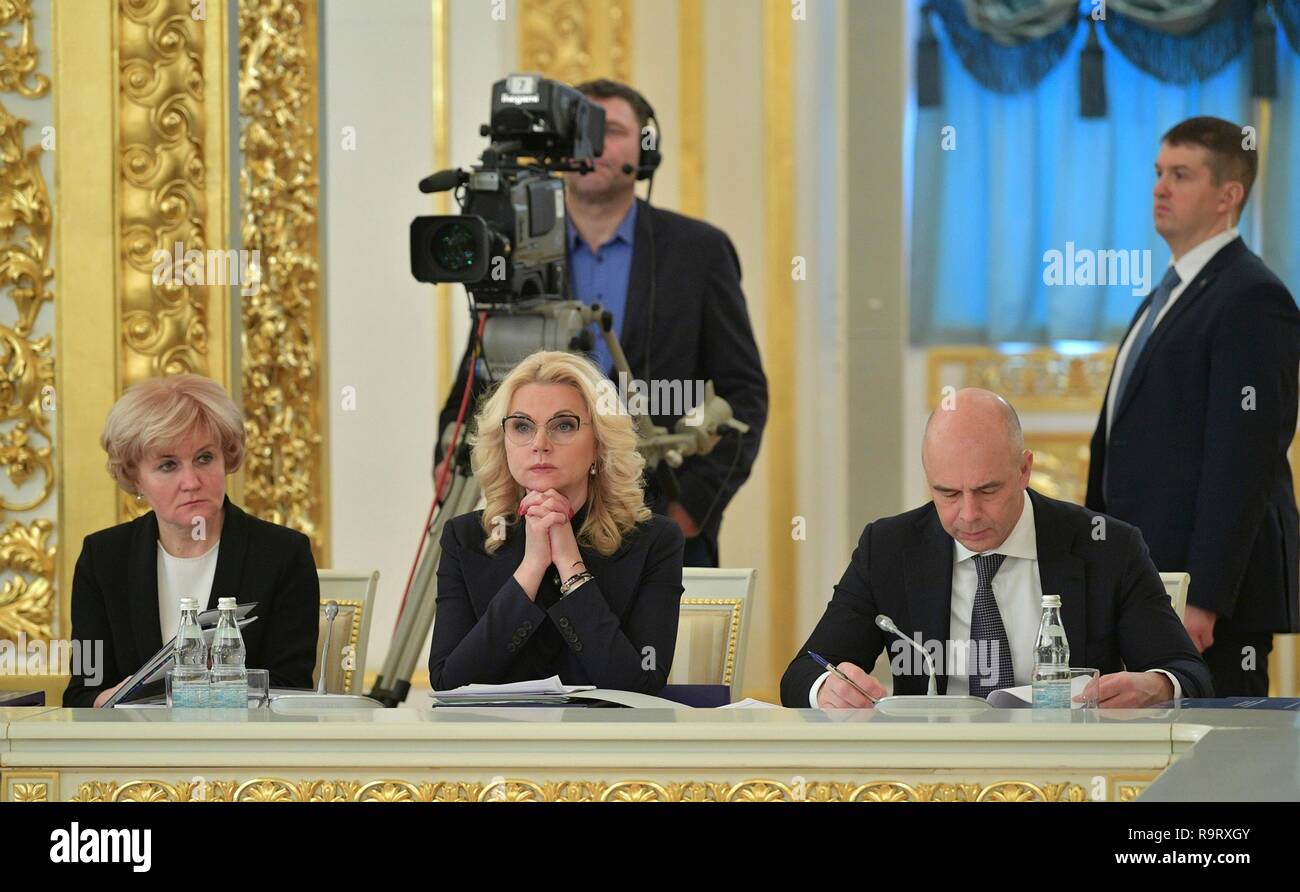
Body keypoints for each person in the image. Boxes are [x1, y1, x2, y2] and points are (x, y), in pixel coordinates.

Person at [438, 78, 768, 568]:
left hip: (659, 523)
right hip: (535, 524)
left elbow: (744, 394)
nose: (592, 144)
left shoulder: (699, 251)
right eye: (581, 130)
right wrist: (452, 466)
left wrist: (689, 511)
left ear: (645, 150)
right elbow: (480, 372)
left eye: (609, 130)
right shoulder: (516, 251)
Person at [781, 388, 1212, 709]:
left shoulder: (1106, 546)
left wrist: (1155, 686)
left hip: (1069, 770)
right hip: (935, 775)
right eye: (947, 493)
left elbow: (1189, 674)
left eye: (987, 490)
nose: (968, 514)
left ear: (1025, 469)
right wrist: (828, 688)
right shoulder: (889, 548)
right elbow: (804, 671)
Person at [1085, 116, 1300, 697]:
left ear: (1228, 196)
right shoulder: (1168, 293)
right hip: (1150, 582)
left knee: (1222, 771)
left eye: (1181, 175)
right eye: (1159, 172)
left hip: (1207, 606)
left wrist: (1202, 597)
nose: (1160, 187)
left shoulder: (1253, 297)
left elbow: (1243, 461)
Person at [428, 351, 685, 694]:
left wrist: (569, 564)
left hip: (607, 746)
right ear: (502, 442)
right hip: (496, 745)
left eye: (563, 425)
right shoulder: (465, 538)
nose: (539, 444)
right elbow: (449, 683)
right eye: (522, 426)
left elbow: (641, 685)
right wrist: (532, 567)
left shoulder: (654, 541)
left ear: (599, 444)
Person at [63, 375, 320, 707]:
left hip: (243, 752)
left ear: (227, 458)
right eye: (168, 465)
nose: (191, 481)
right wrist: (107, 700)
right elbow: (82, 692)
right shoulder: (103, 558)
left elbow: (291, 689)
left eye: (204, 458)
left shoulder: (283, 554)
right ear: (134, 476)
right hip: (137, 753)